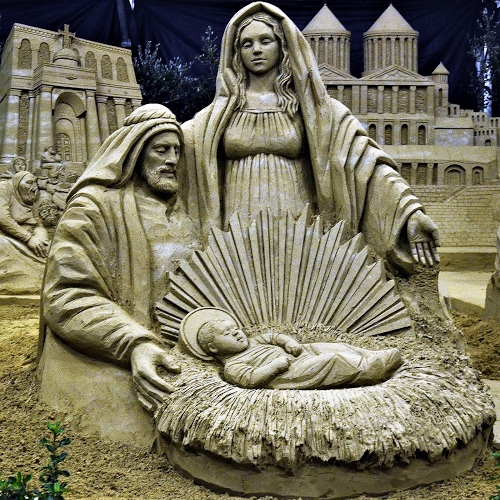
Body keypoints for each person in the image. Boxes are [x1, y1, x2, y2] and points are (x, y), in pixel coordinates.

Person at [180, 2, 439, 273]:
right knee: (240, 282)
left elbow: (367, 164)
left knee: (297, 284)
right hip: (236, 219)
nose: (256, 50)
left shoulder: (316, 112)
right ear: (235, 52)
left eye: (265, 41)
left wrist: (409, 212)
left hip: (294, 219)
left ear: (283, 46)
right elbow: (179, 146)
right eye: (247, 44)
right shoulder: (218, 115)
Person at [41, 104, 201, 412]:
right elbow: (66, 295)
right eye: (161, 150)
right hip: (125, 352)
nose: (172, 159)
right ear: (135, 151)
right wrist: (134, 343)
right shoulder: (93, 209)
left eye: (177, 151)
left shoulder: (183, 212)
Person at [179, 307, 403, 389]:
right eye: (227, 334)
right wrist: (275, 366)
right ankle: (371, 369)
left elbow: (274, 336)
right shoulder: (233, 366)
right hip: (288, 373)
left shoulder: (254, 341)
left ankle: (373, 356)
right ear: (213, 348)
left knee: (331, 347)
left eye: (235, 328)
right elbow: (251, 379)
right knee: (330, 361)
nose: (237, 333)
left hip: (299, 354)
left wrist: (289, 342)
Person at [0, 171, 49, 259]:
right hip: (8, 238)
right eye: (29, 183)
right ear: (18, 182)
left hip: (29, 240)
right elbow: (3, 218)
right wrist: (28, 238)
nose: (34, 188)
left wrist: (41, 239)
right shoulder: (4, 187)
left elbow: (38, 224)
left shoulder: (29, 197)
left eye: (35, 183)